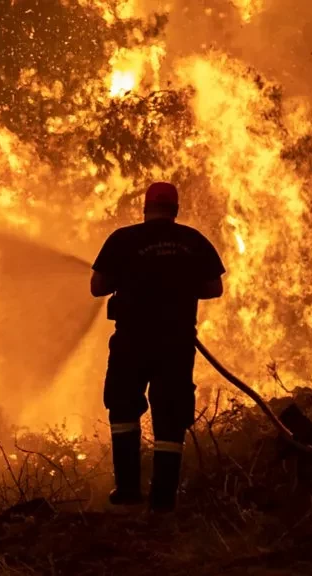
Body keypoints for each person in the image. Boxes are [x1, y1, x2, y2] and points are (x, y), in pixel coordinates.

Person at [90, 181, 226, 512]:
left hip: (131, 341)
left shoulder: (123, 239)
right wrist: (179, 287)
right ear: (175, 210)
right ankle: (163, 501)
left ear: (146, 208)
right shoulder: (192, 241)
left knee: (123, 409)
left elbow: (97, 287)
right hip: (175, 343)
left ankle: (127, 491)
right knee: (170, 416)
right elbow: (213, 288)